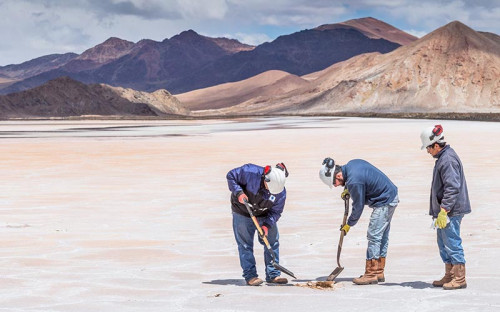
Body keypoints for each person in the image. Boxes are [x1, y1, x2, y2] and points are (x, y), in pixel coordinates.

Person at [319, 157, 399, 285]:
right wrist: (349, 189)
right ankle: (378, 271)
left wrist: (349, 224)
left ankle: (371, 274)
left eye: (335, 183)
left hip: (384, 201)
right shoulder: (351, 165)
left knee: (374, 236)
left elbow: (358, 206)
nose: (335, 186)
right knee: (381, 237)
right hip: (390, 195)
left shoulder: (353, 182)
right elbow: (362, 182)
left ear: (338, 175)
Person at [420, 125, 471, 290]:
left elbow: (452, 187)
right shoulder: (442, 158)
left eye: (428, 148)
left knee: (452, 242)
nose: (427, 151)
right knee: (443, 243)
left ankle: (459, 278)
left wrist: (444, 210)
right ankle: (449, 274)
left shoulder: (447, 159)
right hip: (445, 210)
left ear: (435, 145)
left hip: (451, 211)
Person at [226, 162, 289, 286]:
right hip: (242, 210)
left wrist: (266, 225)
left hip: (264, 213)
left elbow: (276, 212)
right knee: (245, 245)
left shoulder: (280, 193)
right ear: (266, 179)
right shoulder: (250, 172)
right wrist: (239, 193)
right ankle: (251, 276)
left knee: (272, 242)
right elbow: (231, 176)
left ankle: (273, 274)